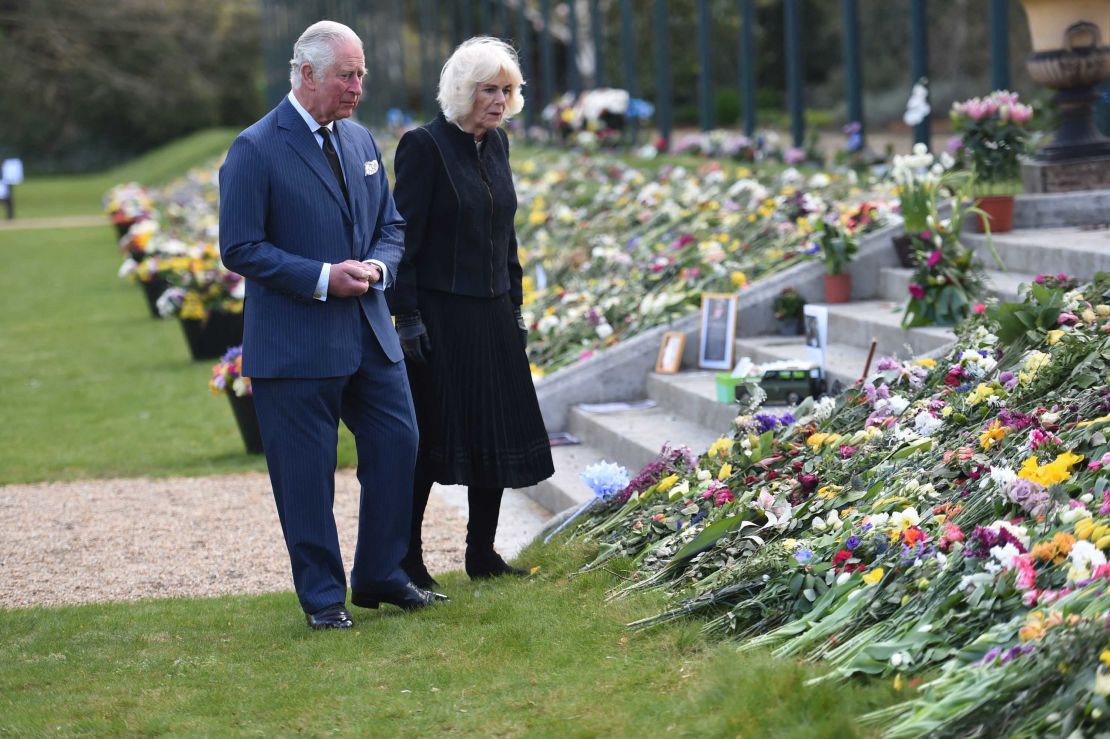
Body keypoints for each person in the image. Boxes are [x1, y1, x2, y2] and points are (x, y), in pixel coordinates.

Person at [219, 20, 446, 631]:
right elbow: (239, 247)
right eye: (348, 74)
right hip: (294, 344)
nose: (358, 85)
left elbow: (391, 227)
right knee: (305, 479)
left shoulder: (362, 141)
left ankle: (381, 574)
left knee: (399, 444)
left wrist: (376, 265)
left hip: (370, 334)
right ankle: (323, 599)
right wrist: (322, 276)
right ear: (308, 75)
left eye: (362, 73)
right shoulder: (255, 148)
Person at [390, 37, 554, 588]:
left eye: (508, 90)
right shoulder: (423, 146)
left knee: (498, 432)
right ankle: (407, 560)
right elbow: (403, 239)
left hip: (492, 313)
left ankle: (481, 555)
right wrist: (406, 316)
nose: (500, 100)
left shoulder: (498, 145)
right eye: (489, 89)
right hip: (439, 316)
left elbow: (503, 234)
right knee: (431, 442)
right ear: (463, 90)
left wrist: (516, 304)